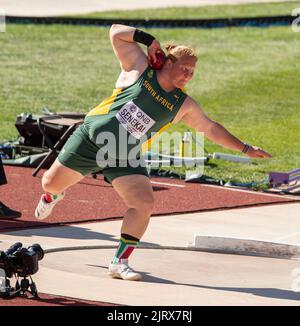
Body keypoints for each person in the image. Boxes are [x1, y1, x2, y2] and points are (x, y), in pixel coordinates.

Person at [34, 24, 272, 281]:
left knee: (144, 203)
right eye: (184, 67)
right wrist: (150, 40)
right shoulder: (139, 69)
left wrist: (245, 148)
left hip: (123, 154)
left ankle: (120, 261)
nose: (188, 75)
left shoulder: (182, 104)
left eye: (192, 72)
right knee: (50, 182)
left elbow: (210, 128)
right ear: (168, 62)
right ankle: (51, 197)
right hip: (90, 139)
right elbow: (115, 32)